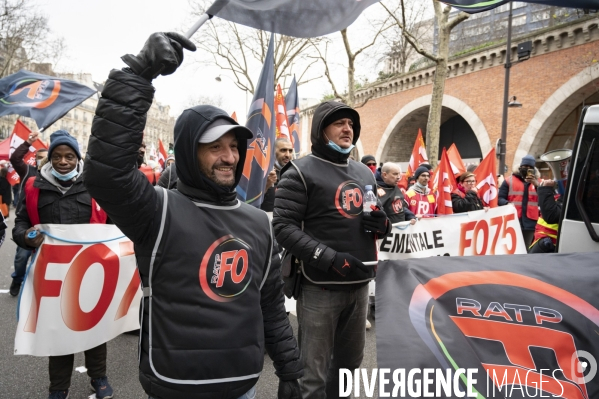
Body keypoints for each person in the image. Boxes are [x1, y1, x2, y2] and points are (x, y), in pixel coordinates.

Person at [83, 32, 303, 399]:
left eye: (234, 147)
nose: (229, 157)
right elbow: (106, 174)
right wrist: (137, 75)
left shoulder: (259, 224)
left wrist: (290, 370)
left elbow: (271, 307)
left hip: (242, 385)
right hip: (174, 384)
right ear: (188, 152)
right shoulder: (156, 210)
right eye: (215, 146)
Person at [273, 100, 391, 399]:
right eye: (339, 122)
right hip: (319, 287)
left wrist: (383, 223)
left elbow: (371, 216)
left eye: (351, 123)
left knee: (349, 368)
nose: (347, 128)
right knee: (312, 373)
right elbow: (283, 228)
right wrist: (329, 259)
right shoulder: (299, 171)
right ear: (320, 130)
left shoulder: (364, 173)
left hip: (360, 284)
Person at [12, 130, 113, 399]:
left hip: (90, 272)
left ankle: (99, 377)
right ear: (50, 159)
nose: (63, 161)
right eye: (57, 156)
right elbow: (20, 224)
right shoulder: (34, 187)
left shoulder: (94, 185)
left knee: (93, 328)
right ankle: (58, 388)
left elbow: (112, 224)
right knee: (58, 332)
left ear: (78, 158)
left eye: (69, 156)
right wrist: (26, 236)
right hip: (52, 275)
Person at [8, 131, 48, 297]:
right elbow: (15, 159)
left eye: (46, 157)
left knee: (41, 261)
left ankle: (37, 289)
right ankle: (17, 279)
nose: (42, 160)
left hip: (46, 224)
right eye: (39, 157)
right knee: (21, 258)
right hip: (28, 224)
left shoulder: (55, 174)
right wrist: (28, 142)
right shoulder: (28, 171)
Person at [498, 154, 539, 247]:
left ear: (534, 169)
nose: (527, 169)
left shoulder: (539, 182)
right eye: (525, 167)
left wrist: (536, 185)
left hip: (530, 222)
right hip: (513, 220)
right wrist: (506, 203)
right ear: (520, 167)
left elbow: (544, 200)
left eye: (530, 167)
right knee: (511, 246)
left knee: (526, 247)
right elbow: (499, 199)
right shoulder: (509, 181)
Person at [528, 178, 561, 253]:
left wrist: (545, 189)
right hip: (543, 237)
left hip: (550, 241)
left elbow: (551, 215)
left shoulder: (567, 194)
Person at [261, 138, 294, 212]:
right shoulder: (264, 172)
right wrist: (266, 185)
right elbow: (253, 200)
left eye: (290, 151)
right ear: (273, 152)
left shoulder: (296, 173)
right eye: (283, 150)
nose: (287, 155)